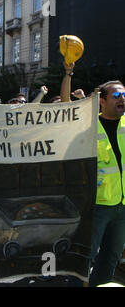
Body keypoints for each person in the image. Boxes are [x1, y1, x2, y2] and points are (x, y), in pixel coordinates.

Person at [89, 80, 125, 287]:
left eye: (124, 96)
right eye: (117, 96)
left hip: (122, 206)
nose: (122, 99)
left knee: (111, 258)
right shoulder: (88, 126)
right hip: (98, 206)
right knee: (85, 258)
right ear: (102, 101)